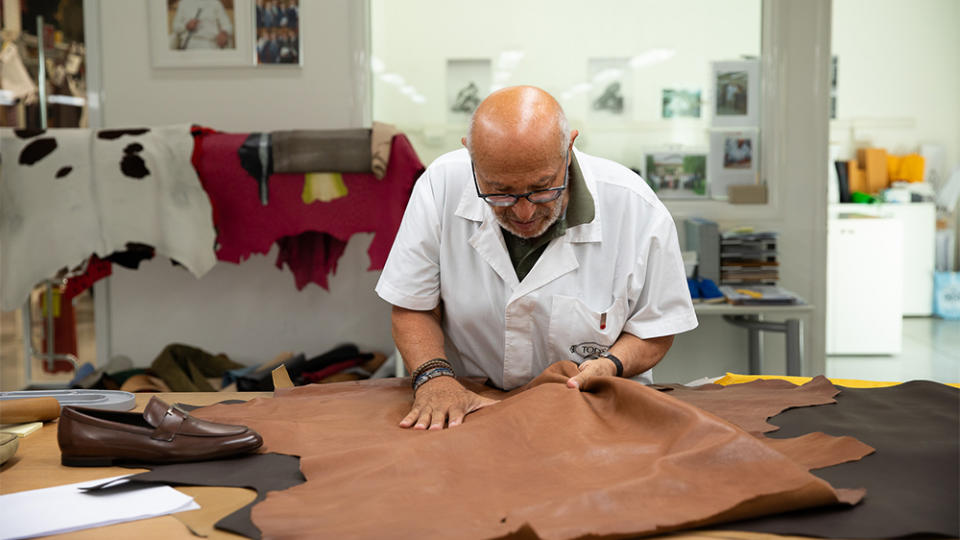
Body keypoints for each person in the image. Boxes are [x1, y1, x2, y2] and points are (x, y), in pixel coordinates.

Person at [376, 86, 698, 430]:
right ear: (471, 155)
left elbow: (655, 328)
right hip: (470, 408)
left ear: (569, 148)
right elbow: (412, 305)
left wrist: (611, 365)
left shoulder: (635, 208)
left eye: (543, 188)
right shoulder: (440, 186)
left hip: (593, 409)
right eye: (500, 192)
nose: (525, 211)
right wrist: (434, 378)